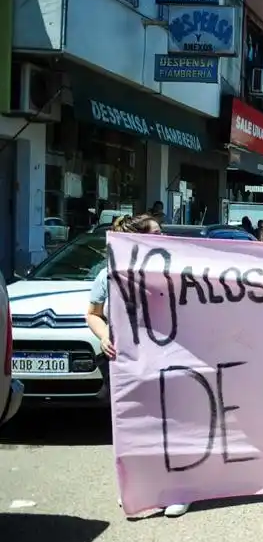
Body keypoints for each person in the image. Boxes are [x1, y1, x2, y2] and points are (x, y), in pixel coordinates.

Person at [85, 214, 190, 518]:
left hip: (169, 356)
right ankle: (136, 488)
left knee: (172, 423)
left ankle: (178, 489)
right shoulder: (109, 274)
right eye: (156, 233)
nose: (163, 237)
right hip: (128, 361)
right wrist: (104, 335)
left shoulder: (176, 269)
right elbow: (92, 313)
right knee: (134, 424)